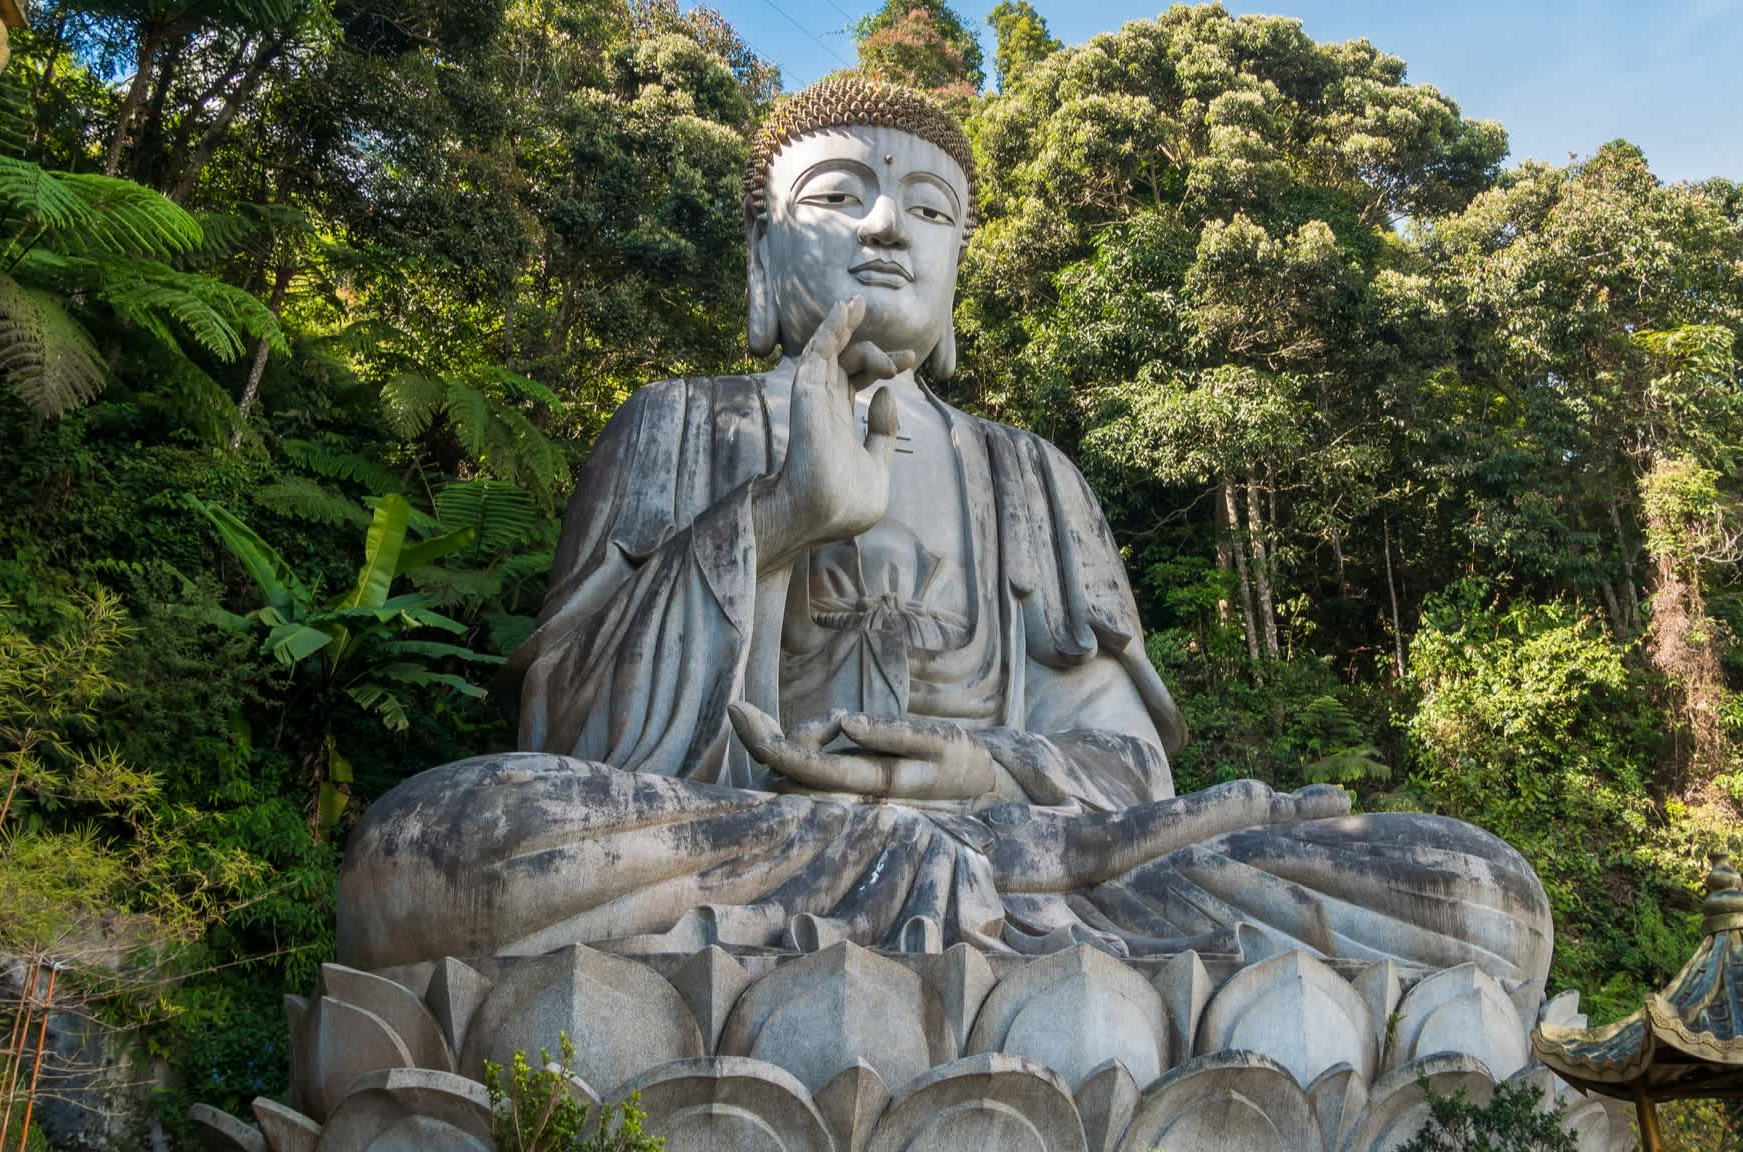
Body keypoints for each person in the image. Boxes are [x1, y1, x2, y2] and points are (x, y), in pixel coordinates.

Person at [337, 78, 1552, 1008]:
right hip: (754, 839)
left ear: (958, 263)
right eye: (835, 196)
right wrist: (777, 518)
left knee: (1473, 888)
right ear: (762, 254)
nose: (885, 227)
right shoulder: (673, 426)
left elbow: (1132, 779)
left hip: (1036, 861)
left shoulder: (1029, 474)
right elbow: (575, 740)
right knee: (437, 847)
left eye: (928, 209)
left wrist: (979, 777)